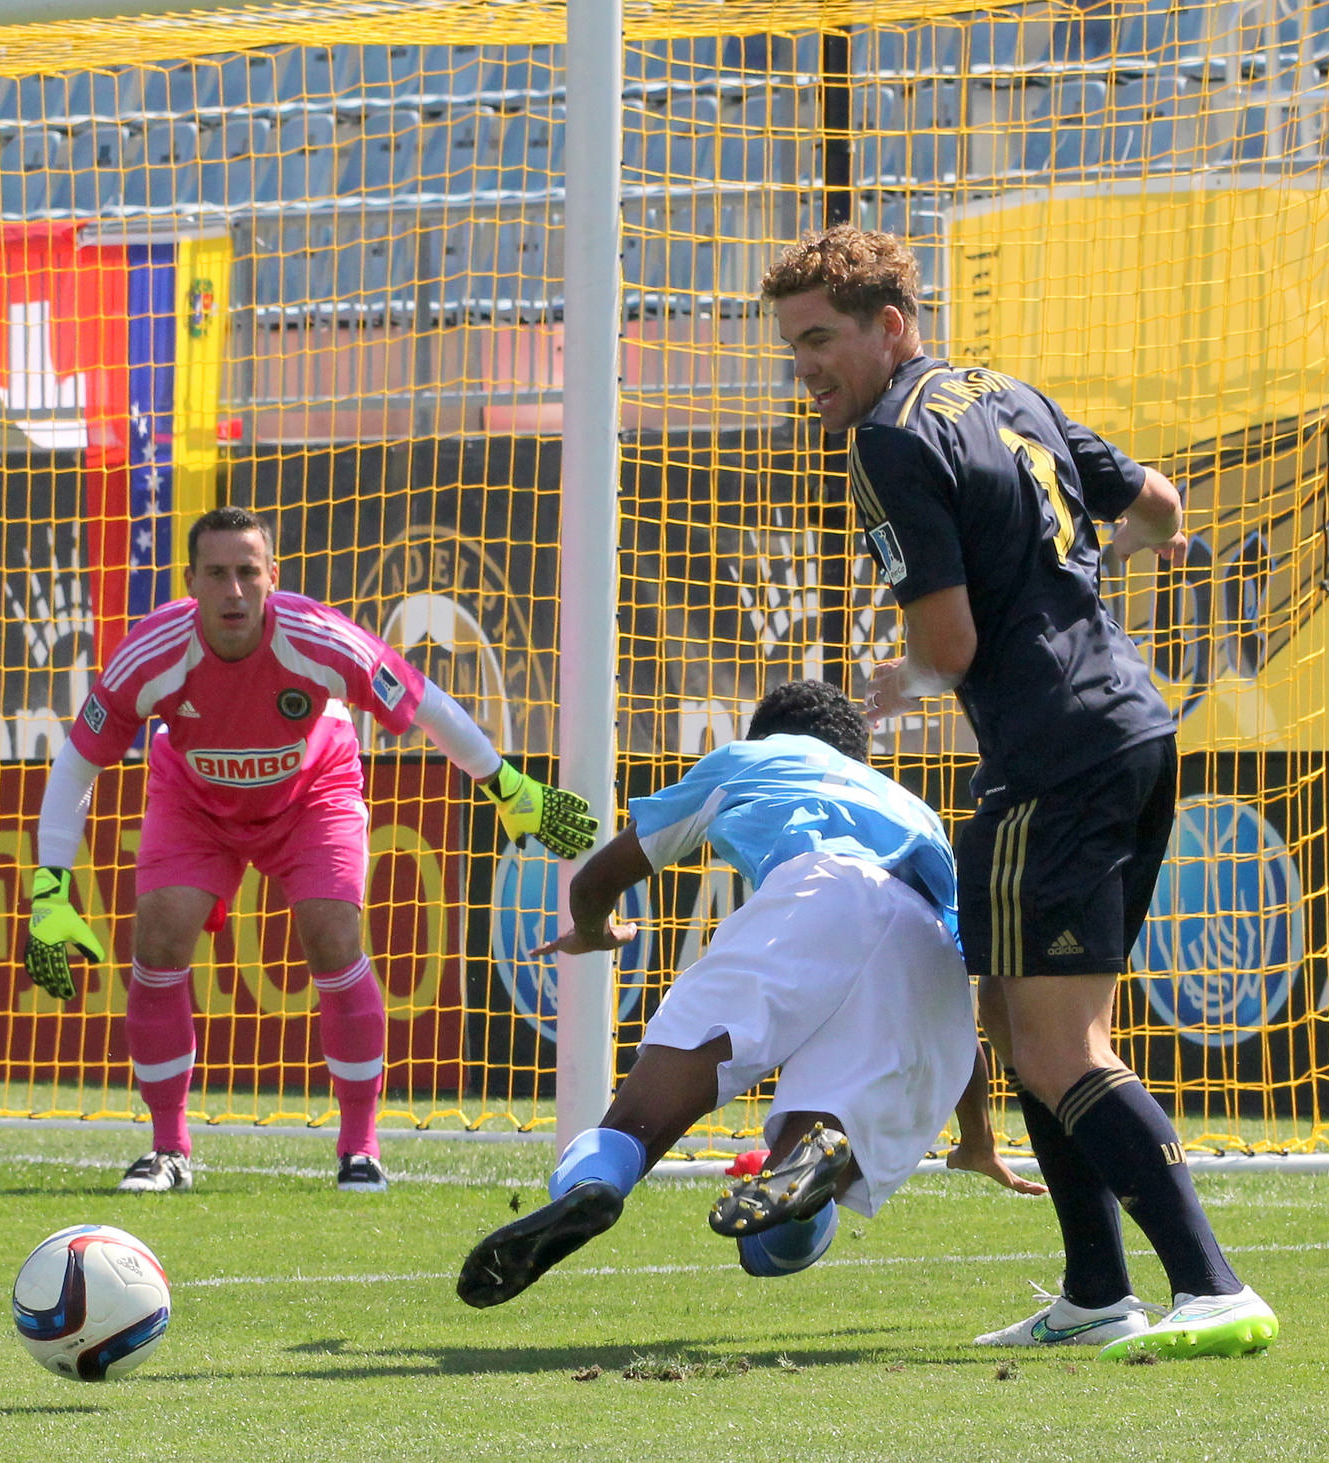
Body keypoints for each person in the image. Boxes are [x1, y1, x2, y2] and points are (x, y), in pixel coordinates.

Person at [759, 225, 1277, 1360]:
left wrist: (906, 679)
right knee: (1012, 1011)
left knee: (1055, 1045)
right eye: (790, 347)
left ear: (887, 326)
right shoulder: (1003, 391)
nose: (804, 369)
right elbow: (1155, 502)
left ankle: (1210, 1281)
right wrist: (1094, 575)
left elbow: (947, 639)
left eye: (819, 341)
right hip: (1126, 729)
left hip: (1053, 757)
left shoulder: (891, 440)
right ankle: (1096, 1287)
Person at [24, 505, 598, 1194]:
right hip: (194, 800)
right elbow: (77, 762)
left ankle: (361, 1147)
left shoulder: (318, 637)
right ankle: (168, 1147)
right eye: (216, 574)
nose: (233, 590)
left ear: (273, 576)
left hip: (312, 791)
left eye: (246, 572)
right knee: (158, 936)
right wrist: (49, 886)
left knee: (332, 933)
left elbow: (425, 704)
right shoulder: (151, 654)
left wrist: (506, 785)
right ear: (190, 582)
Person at [456, 680, 1038, 1308]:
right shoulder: (913, 809)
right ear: (857, 756)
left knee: (634, 1125)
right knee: (770, 1250)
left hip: (814, 897)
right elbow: (958, 991)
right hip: (923, 958)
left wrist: (597, 932)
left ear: (767, 735)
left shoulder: (749, 761)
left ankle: (592, 1188)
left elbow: (600, 876)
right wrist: (978, 1139)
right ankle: (815, 1164)